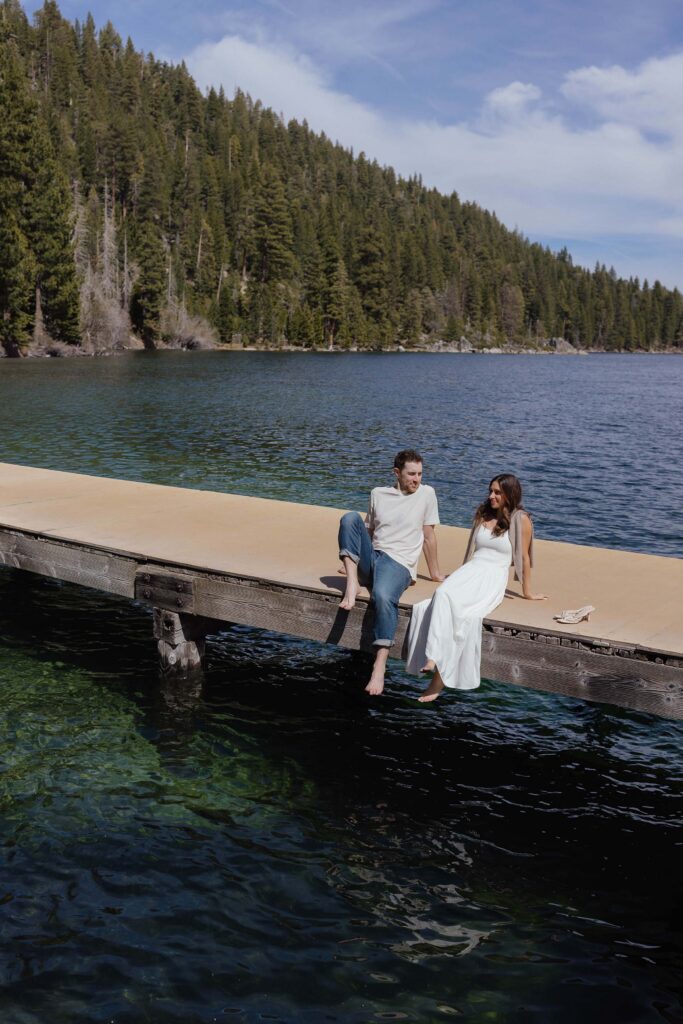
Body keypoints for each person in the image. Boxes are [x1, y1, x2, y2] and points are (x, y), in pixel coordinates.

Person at [405, 473, 546, 702]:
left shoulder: (521, 520)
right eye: (491, 491)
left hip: (492, 575)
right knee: (442, 594)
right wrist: (459, 574)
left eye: (498, 492)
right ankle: (433, 658)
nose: (491, 496)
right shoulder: (482, 514)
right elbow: (471, 550)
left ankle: (436, 673)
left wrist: (527, 592)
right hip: (471, 571)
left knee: (463, 613)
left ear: (510, 494)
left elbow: (524, 558)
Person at [338, 449, 445, 696]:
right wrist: (352, 562)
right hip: (374, 556)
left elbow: (429, 537)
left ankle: (379, 665)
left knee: (383, 596)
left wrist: (436, 573)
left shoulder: (427, 494)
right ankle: (352, 582)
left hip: (398, 563)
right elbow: (368, 531)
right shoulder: (378, 494)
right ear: (397, 473)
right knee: (349, 518)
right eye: (411, 474)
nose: (416, 479)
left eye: (419, 474)